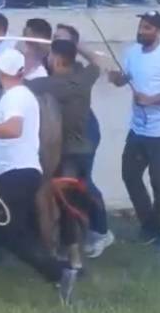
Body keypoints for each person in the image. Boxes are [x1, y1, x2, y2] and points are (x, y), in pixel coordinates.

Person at [0, 48, 77, 303]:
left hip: (18, 174)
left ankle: (59, 273)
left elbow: (12, 129)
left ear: (1, 71)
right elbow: (5, 120)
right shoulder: (17, 95)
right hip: (17, 173)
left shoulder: (16, 97)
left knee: (7, 233)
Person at [25, 39, 115, 265]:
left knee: (64, 203)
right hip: (84, 149)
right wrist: (76, 46)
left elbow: (12, 84)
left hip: (63, 154)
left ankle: (69, 251)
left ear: (55, 60)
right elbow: (97, 60)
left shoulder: (44, 85)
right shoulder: (84, 79)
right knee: (76, 198)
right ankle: (84, 242)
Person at [109, 11, 160, 251]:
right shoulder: (133, 52)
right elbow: (128, 77)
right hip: (138, 129)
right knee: (130, 175)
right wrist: (117, 78)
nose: (142, 31)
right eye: (141, 26)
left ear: (158, 31)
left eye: (148, 28)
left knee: (158, 182)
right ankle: (149, 225)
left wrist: (152, 100)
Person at [52, 23, 113, 259]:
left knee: (82, 182)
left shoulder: (78, 71)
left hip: (84, 133)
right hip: (59, 134)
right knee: (62, 185)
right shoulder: (52, 64)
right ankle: (69, 236)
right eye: (54, 38)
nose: (56, 42)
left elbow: (98, 62)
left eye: (62, 40)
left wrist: (76, 46)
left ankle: (101, 232)